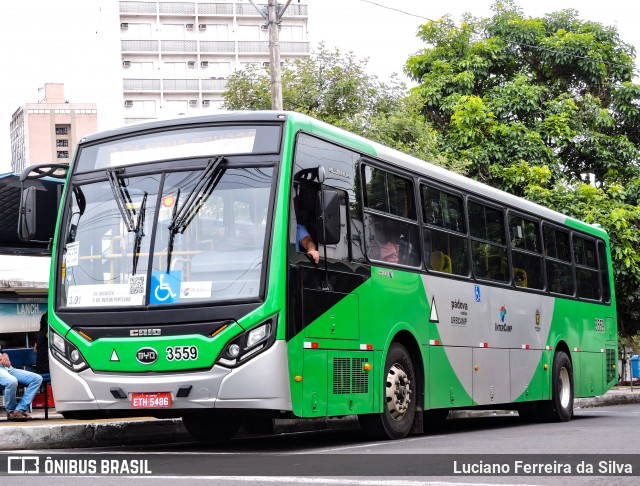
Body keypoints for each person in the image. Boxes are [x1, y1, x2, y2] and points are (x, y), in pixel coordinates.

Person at [0, 345, 43, 421]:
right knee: (11, 381)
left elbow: (1, 351)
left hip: (8, 368)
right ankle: (11, 411)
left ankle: (19, 410)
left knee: (37, 379)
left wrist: (4, 355)